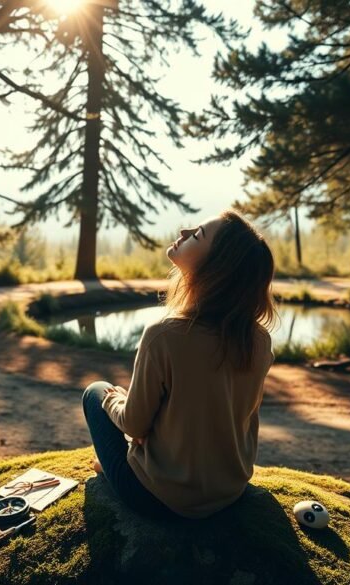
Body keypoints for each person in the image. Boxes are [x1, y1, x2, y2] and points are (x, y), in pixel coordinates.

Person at [82, 209, 277, 521]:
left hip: (160, 500)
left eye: (197, 235)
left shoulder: (164, 335)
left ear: (215, 267)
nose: (185, 231)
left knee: (95, 392)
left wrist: (113, 399)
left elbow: (133, 425)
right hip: (230, 492)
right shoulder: (259, 340)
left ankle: (113, 469)